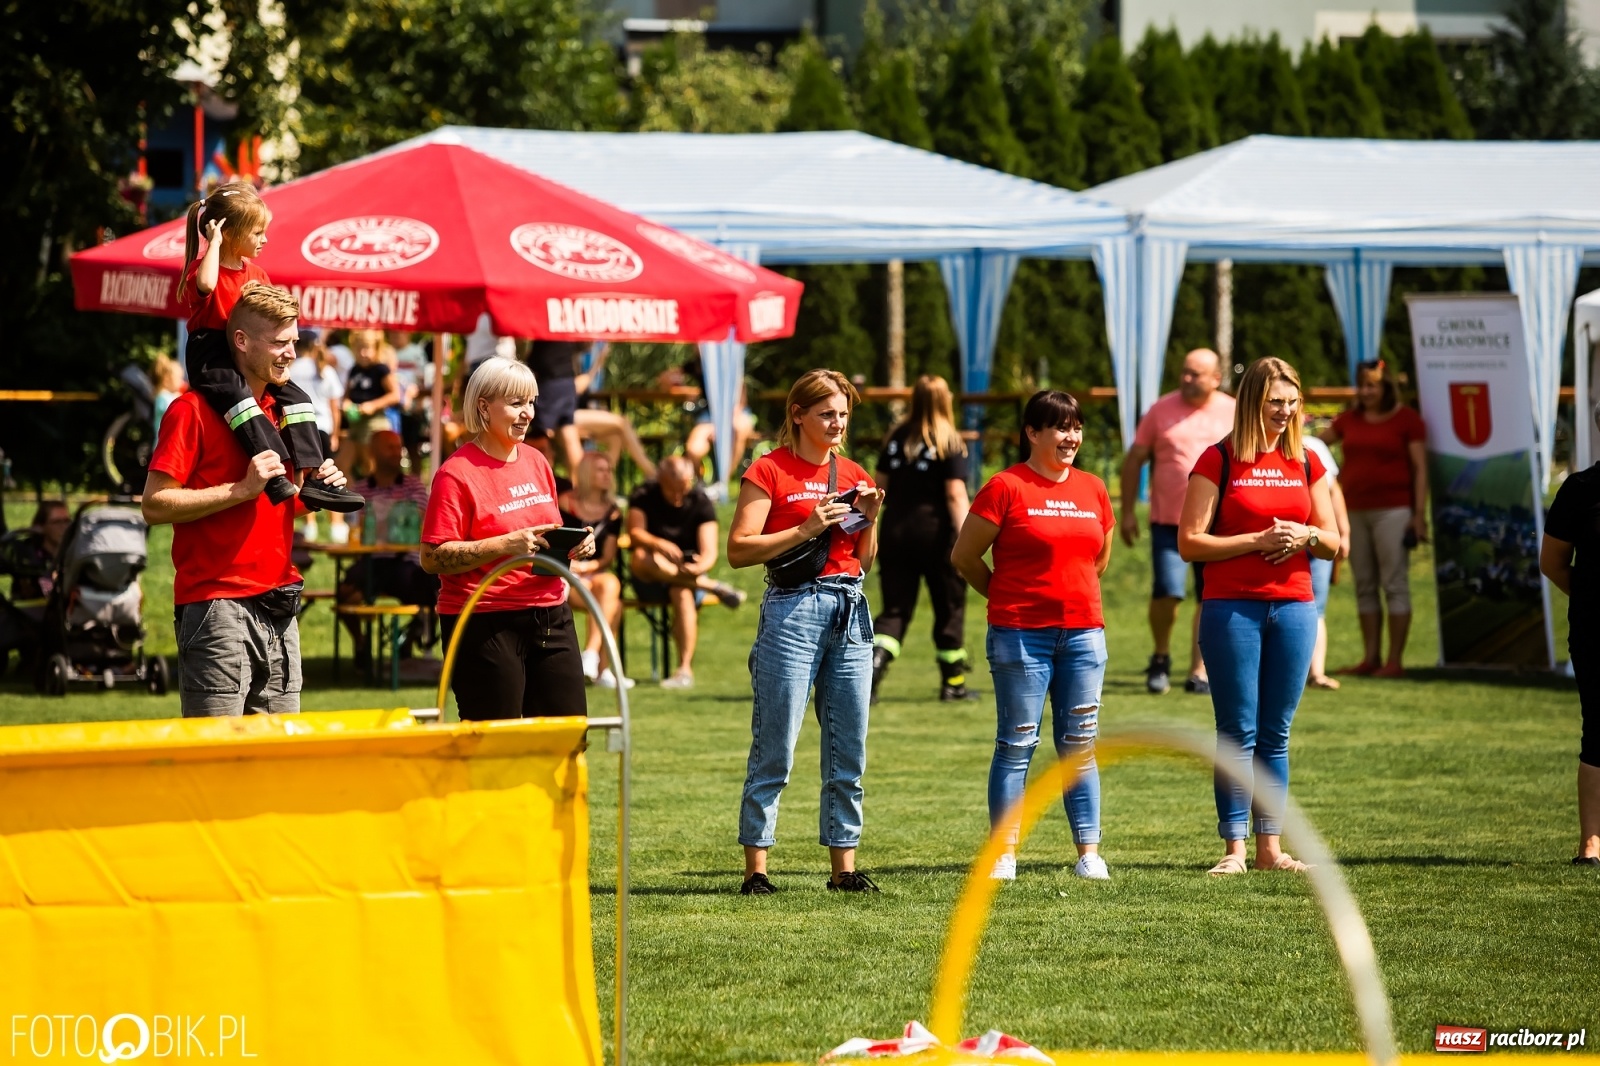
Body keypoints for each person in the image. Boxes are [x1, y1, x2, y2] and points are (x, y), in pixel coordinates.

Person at [142, 283, 351, 716]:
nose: (292, 353)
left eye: (294, 341)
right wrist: (239, 489)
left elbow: (274, 505)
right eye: (279, 342)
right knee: (215, 762)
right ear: (241, 340)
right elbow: (155, 504)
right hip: (216, 607)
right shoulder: (190, 410)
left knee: (278, 764)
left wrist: (312, 495)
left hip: (279, 603)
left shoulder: (285, 409)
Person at [1177, 357, 1340, 876]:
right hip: (1231, 609)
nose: (1286, 413)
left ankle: (1271, 850)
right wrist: (1258, 539)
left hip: (1295, 607)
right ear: (1252, 401)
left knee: (1276, 733)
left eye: (1293, 404)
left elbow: (1334, 541)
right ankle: (1234, 851)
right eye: (1276, 403)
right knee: (1236, 731)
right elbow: (1189, 543)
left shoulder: (1307, 461)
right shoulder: (1217, 460)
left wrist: (1306, 535)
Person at [726, 368, 884, 895]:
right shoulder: (769, 470)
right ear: (798, 415)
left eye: (842, 414)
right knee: (776, 743)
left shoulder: (853, 471)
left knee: (849, 746)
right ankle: (757, 870)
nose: (837, 423)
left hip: (850, 607)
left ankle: (844, 868)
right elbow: (739, 550)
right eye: (826, 414)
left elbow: (862, 558)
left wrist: (871, 516)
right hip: (792, 610)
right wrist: (806, 527)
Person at [952, 390, 1116, 882]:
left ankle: (1088, 853)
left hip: (1084, 635)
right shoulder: (1004, 487)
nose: (1072, 438)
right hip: (1020, 635)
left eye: (1077, 428)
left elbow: (1098, 559)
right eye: (1061, 428)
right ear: (1032, 433)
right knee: (1017, 744)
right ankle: (1004, 853)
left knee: (1080, 745)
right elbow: (964, 557)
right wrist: (1002, 599)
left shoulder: (1093, 488)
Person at [419, 357, 596, 720]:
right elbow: (432, 557)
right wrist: (505, 545)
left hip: (550, 613)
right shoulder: (456, 474)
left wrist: (576, 544)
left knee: (567, 734)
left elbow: (545, 535)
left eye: (531, 402)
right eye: (516, 403)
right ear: (483, 406)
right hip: (484, 620)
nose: (528, 413)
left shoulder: (537, 461)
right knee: (496, 745)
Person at [175, 181, 361, 513]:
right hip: (214, 353)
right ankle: (274, 473)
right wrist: (213, 243)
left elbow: (271, 314)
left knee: (299, 399)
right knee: (240, 399)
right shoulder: (207, 271)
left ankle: (314, 476)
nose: (265, 239)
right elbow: (205, 285)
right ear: (231, 234)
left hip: (250, 351)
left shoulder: (257, 273)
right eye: (258, 232)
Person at [1119, 348, 1236, 697]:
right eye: (1185, 372)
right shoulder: (1160, 409)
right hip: (1168, 521)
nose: (1187, 379)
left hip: (1217, 524)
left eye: (1196, 374)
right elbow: (1134, 458)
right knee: (1168, 592)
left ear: (1216, 378)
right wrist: (1126, 511)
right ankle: (1160, 656)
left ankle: (1200, 670)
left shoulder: (1233, 411)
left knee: (1210, 596)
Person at [870, 375, 973, 703]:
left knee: (895, 610)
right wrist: (967, 541)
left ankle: (870, 673)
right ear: (947, 400)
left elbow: (878, 487)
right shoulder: (949, 440)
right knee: (949, 606)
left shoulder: (896, 437)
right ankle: (953, 683)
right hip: (937, 535)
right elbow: (956, 495)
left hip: (896, 531)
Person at [1322, 359, 1428, 678]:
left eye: (1373, 384)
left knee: (1394, 583)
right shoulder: (1348, 420)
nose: (1366, 391)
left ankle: (1394, 661)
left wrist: (1419, 516)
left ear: (1387, 387)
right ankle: (1370, 658)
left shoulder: (1408, 420)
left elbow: (1421, 468)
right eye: (1362, 384)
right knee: (1365, 585)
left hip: (1394, 511)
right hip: (1353, 511)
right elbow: (1313, 444)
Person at [1539, 407, 1600, 866]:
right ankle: (1591, 845)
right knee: (1598, 731)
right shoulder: (1579, 491)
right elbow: (1553, 563)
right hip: (1596, 630)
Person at [628, 455, 746, 689]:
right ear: (661, 480)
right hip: (650, 575)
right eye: (673, 489)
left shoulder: (700, 500)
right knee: (642, 557)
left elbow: (709, 553)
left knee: (681, 591)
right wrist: (658, 544)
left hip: (688, 576)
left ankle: (684, 670)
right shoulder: (643, 495)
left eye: (684, 488)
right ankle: (710, 586)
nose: (679, 496)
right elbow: (634, 533)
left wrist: (697, 568)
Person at [336, 429, 438, 671]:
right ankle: (361, 644)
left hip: (407, 562)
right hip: (373, 561)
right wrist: (395, 515)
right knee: (343, 593)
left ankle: (409, 638)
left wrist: (380, 517)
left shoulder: (413, 484)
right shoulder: (361, 488)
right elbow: (359, 527)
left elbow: (418, 521)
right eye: (390, 447)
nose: (396, 453)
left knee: (431, 589)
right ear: (373, 452)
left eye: (398, 447)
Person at [562, 452, 630, 690]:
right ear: (587, 473)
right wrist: (573, 565)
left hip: (591, 574)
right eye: (601, 469)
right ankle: (601, 668)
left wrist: (586, 566)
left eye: (609, 470)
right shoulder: (564, 503)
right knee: (614, 603)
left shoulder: (612, 512)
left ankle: (591, 656)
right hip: (563, 572)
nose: (607, 475)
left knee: (610, 584)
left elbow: (607, 557)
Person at [1302, 431, 1351, 690]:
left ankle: (1317, 673)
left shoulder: (1313, 447)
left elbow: (1334, 491)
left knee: (1316, 607)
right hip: (1281, 542)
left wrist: (1343, 532)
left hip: (1317, 540)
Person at [288, 333, 349, 543]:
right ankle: (336, 524)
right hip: (322, 428)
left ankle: (310, 526)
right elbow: (335, 408)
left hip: (297, 429)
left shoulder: (291, 369)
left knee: (303, 478)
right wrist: (335, 434)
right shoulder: (326, 370)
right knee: (329, 477)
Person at [572, 343, 659, 480]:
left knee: (615, 437)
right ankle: (653, 474)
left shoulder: (579, 358)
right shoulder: (566, 358)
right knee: (621, 422)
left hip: (579, 414)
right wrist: (597, 364)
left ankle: (600, 482)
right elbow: (577, 388)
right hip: (563, 417)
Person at [337, 330, 404, 481]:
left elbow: (395, 395)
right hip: (355, 424)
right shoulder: (354, 369)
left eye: (367, 348)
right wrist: (346, 403)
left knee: (371, 466)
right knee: (342, 465)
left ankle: (372, 502)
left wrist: (372, 406)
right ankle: (354, 501)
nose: (363, 353)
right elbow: (346, 395)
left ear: (376, 348)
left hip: (375, 423)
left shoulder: (381, 370)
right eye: (359, 348)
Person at [528, 340, 586, 476]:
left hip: (549, 382)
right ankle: (581, 487)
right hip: (567, 381)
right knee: (569, 435)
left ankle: (538, 480)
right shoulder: (565, 324)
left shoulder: (542, 323)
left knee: (542, 435)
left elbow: (535, 360)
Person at [151, 354, 185, 438]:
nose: (182, 382)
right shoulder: (163, 397)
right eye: (179, 378)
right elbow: (178, 411)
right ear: (166, 380)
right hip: (163, 444)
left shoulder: (168, 396)